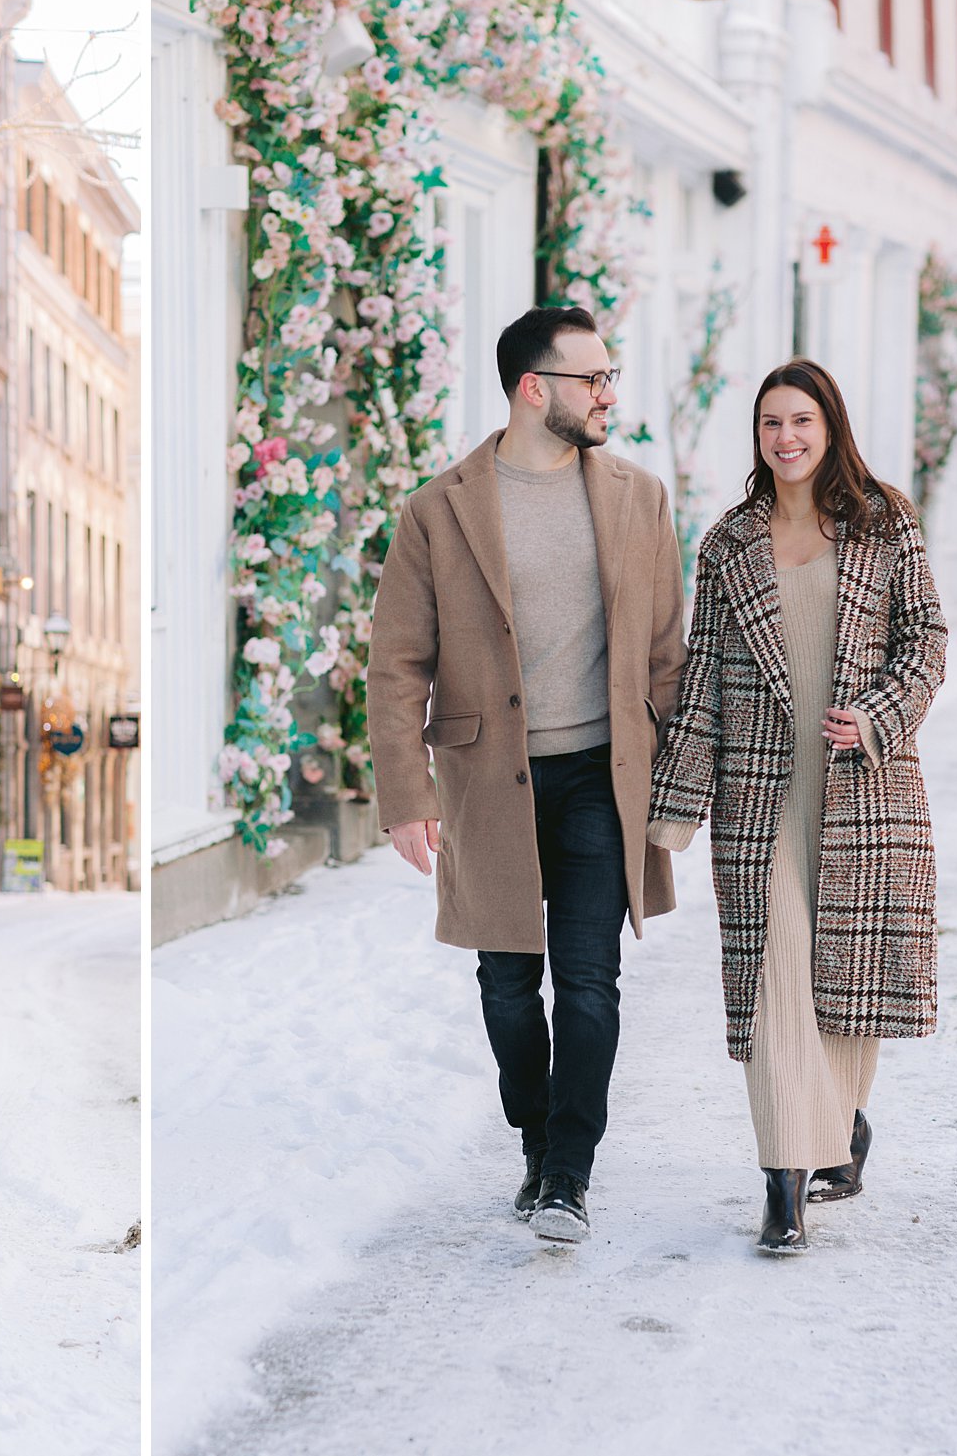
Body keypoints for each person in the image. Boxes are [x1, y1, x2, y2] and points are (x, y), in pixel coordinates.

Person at [367, 304, 688, 1244]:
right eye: (594, 378)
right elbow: (397, 665)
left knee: (590, 982)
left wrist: (676, 781)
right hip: (485, 780)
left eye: (611, 375)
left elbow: (667, 655)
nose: (609, 394)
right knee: (509, 987)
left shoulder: (639, 496)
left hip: (601, 775)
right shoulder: (439, 509)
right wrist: (405, 798)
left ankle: (568, 1175)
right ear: (533, 388)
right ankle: (537, 1139)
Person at [647, 359, 946, 1255]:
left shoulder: (884, 523)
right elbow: (700, 681)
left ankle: (843, 1122)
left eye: (802, 420)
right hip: (761, 798)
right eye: (772, 422)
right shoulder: (727, 544)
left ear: (831, 426)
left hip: (863, 789)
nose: (786, 438)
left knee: (844, 983)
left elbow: (926, 640)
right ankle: (783, 1183)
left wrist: (881, 714)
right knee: (778, 973)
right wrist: (675, 806)